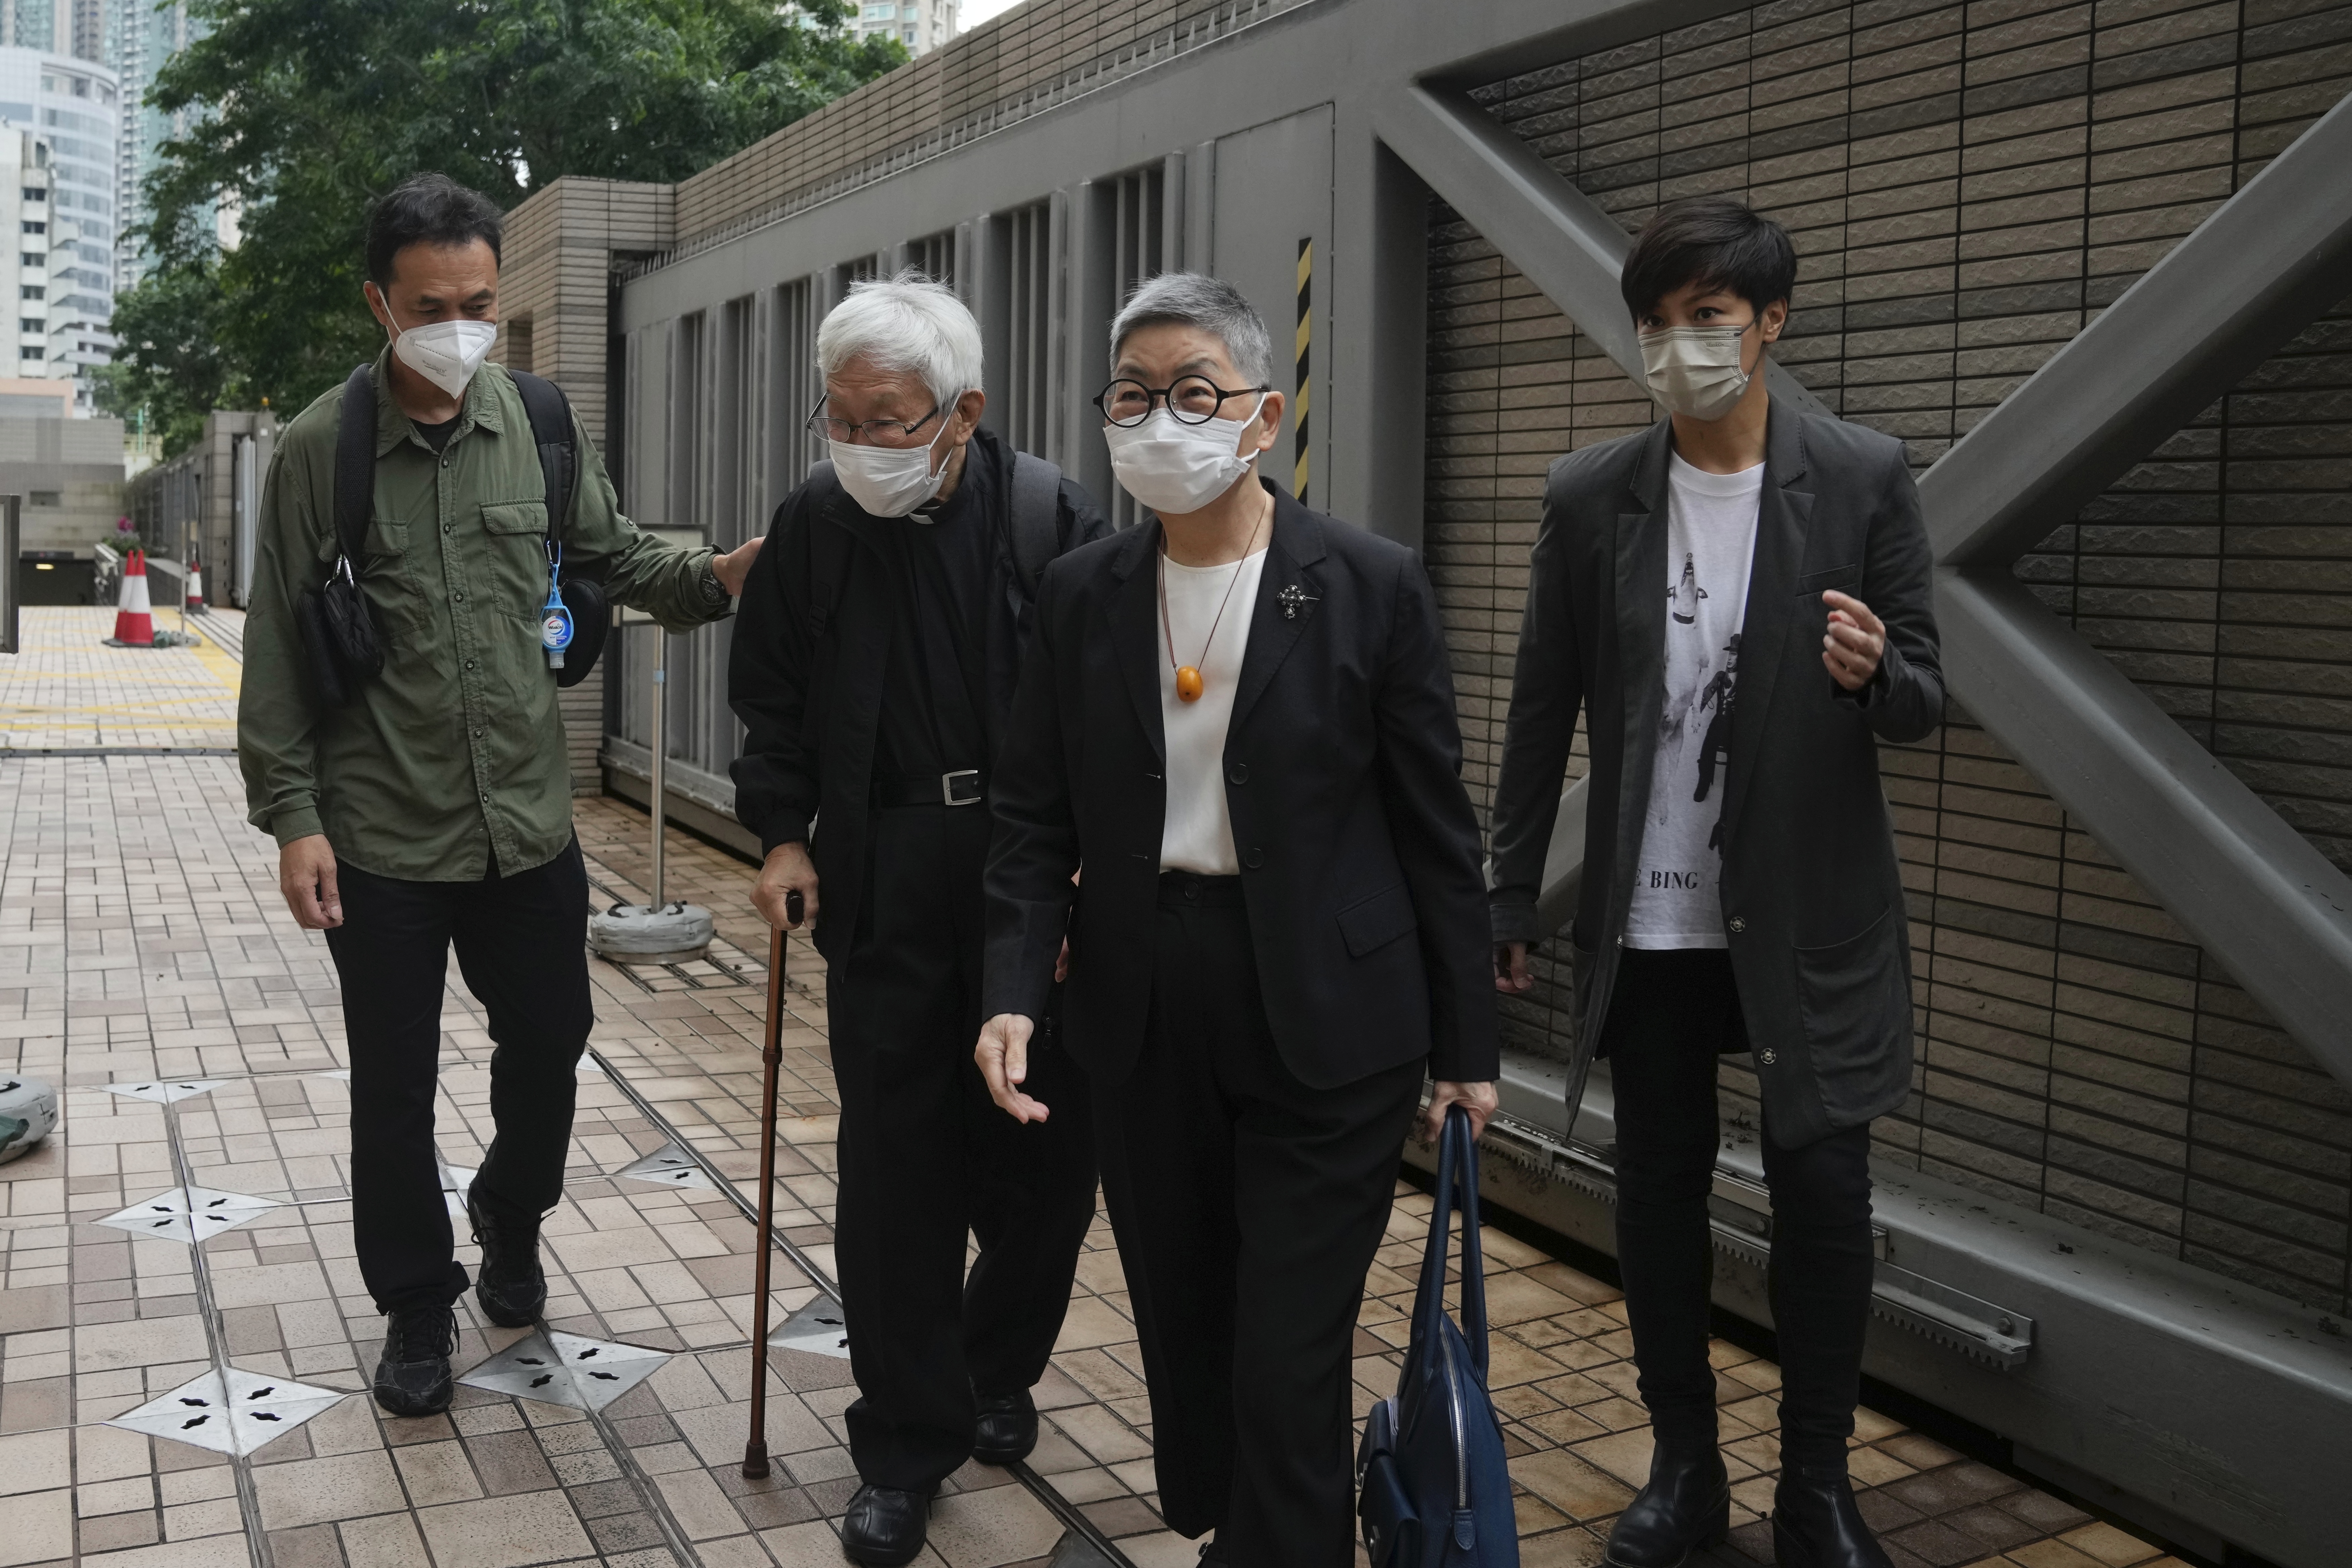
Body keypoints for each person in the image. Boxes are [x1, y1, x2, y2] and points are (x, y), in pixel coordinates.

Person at [974, 272, 1500, 1567]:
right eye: (1135, 395)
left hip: (1332, 1010)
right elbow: (1033, 816)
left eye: (1195, 393)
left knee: (1290, 1335)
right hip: (1145, 999)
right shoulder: (1083, 592)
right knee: (1187, 1316)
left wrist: (1467, 1048)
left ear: (1263, 418)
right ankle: (1245, 1531)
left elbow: (1437, 829)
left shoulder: (1368, 584)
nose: (1164, 419)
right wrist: (1011, 991)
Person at [238, 174, 763, 1416]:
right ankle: (419, 1302)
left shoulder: (535, 419)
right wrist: (294, 816)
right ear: (380, 303)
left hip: (528, 823)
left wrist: (724, 575)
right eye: (433, 304)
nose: (461, 326)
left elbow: (612, 555)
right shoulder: (326, 449)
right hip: (382, 831)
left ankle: (509, 1214)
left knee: (553, 1041)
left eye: (480, 300)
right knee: (393, 1081)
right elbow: (273, 641)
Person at [1487, 196, 1942, 1568]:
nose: (1678, 346)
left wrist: (1876, 676)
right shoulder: (1590, 498)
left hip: (1811, 913)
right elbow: (1534, 711)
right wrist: (1506, 894)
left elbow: (1924, 692)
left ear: (1769, 326)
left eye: (1708, 320)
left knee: (1820, 1193)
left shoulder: (1861, 476)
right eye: (1657, 323)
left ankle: (1817, 1486)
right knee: (1656, 1186)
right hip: (1652, 915)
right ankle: (1683, 1467)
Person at [727, 274, 1107, 1567]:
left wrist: (1083, 892)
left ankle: (994, 1366)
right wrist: (782, 836)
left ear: (962, 412)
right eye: (842, 420)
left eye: (890, 421)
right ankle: (903, 1439)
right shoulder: (816, 525)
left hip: (1028, 871)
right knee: (895, 1172)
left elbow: (1112, 731)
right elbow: (770, 701)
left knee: (1045, 1165)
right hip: (882, 870)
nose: (862, 446)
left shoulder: (1053, 519)